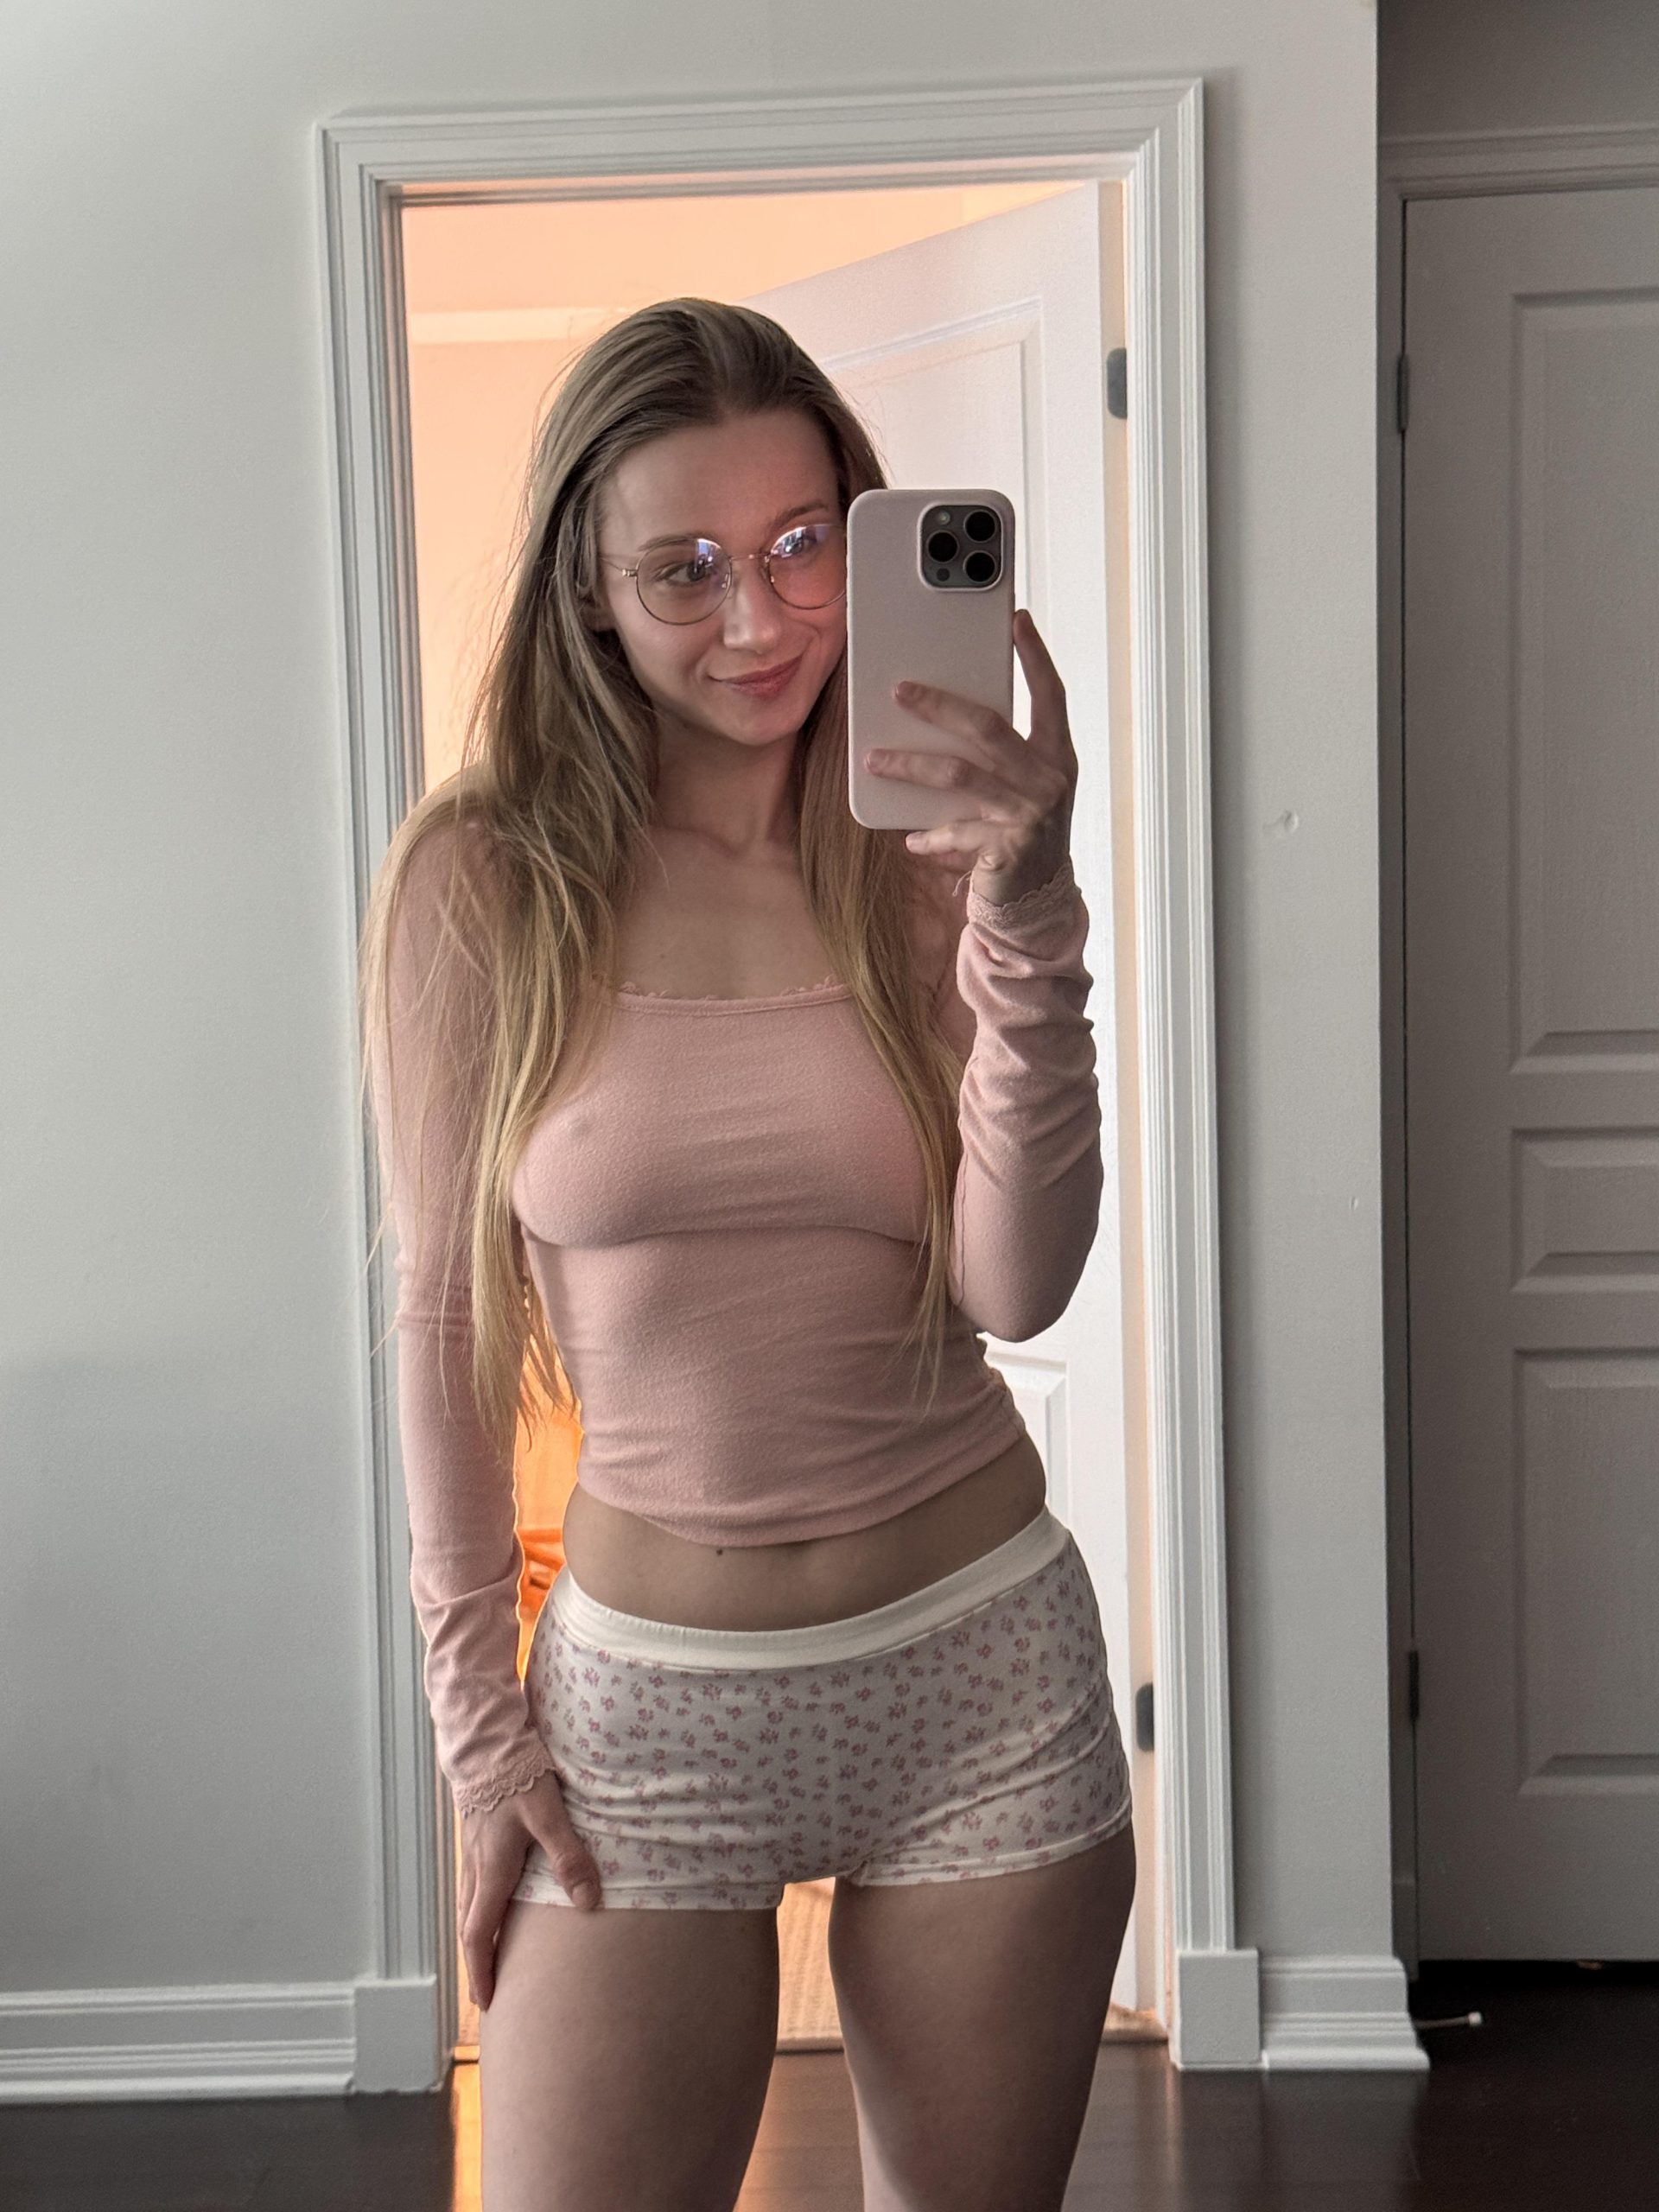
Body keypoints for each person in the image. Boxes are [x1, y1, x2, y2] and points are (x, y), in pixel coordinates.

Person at [360, 296, 1135, 2212]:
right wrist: (477, 1732)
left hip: (978, 1678)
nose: (760, 619)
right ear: (589, 591)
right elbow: (442, 1319)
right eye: (684, 569)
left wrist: (1031, 914)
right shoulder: (483, 881)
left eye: (801, 546)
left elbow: (1016, 1285)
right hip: (640, 1720)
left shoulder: (930, 856)